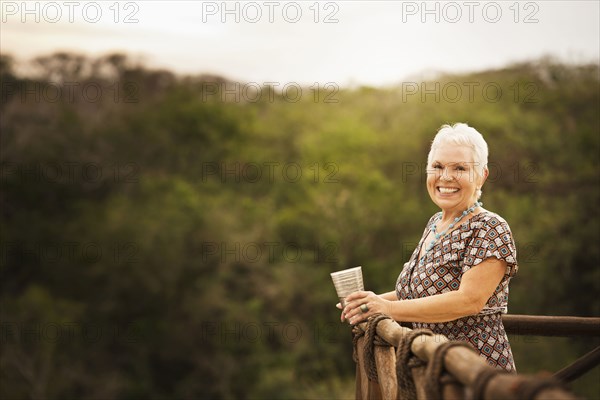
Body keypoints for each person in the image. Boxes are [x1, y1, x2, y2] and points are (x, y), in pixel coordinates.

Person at [339, 123, 518, 371]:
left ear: (482, 175)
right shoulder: (436, 223)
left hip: (473, 372)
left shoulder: (489, 227)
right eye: (437, 166)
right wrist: (368, 302)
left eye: (460, 168)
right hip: (429, 371)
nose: (445, 177)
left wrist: (389, 309)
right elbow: (417, 292)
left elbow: (469, 300)